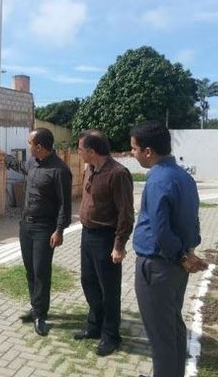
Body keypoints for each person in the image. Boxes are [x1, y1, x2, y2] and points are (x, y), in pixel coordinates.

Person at [129, 121, 208, 377]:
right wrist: (188, 251)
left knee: (160, 334)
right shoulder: (183, 176)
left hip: (157, 266)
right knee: (172, 326)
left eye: (134, 148)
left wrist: (181, 254)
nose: (132, 153)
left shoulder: (157, 181)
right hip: (175, 267)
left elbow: (161, 230)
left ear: (148, 151)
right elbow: (191, 221)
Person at [0, 128, 72, 336]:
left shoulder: (59, 170)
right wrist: (1, 154)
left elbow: (64, 204)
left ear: (40, 147)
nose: (28, 146)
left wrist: (59, 230)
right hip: (26, 226)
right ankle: (35, 308)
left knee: (41, 271)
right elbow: (18, 165)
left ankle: (41, 315)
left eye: (30, 143)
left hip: (45, 228)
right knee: (30, 271)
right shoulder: (33, 163)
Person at [73, 130, 134, 357]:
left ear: (91, 151)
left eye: (80, 149)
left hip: (106, 238)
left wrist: (119, 245)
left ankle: (111, 335)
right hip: (87, 235)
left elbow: (125, 214)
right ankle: (94, 326)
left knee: (109, 289)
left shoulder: (118, 173)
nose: (78, 152)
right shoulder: (90, 169)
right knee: (88, 282)